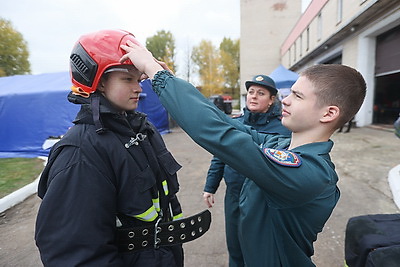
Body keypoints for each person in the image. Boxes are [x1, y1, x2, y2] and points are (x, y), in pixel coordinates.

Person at [120, 39, 367, 266]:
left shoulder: (310, 174)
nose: (286, 100)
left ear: (328, 113)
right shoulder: (280, 144)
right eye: (289, 92)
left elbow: (220, 135)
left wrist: (155, 72)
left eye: (297, 96)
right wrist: (171, 81)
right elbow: (226, 123)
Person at [35, 29, 211, 267]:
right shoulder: (81, 152)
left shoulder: (142, 130)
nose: (139, 88)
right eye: (127, 79)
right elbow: (75, 254)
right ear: (96, 82)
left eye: (139, 79)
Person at [203, 74, 290, 266]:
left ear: (271, 100)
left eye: (261, 93)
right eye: (251, 92)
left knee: (263, 251)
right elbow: (220, 155)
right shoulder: (236, 123)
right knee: (235, 248)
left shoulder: (283, 129)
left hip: (264, 201)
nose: (254, 96)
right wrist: (210, 186)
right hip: (234, 196)